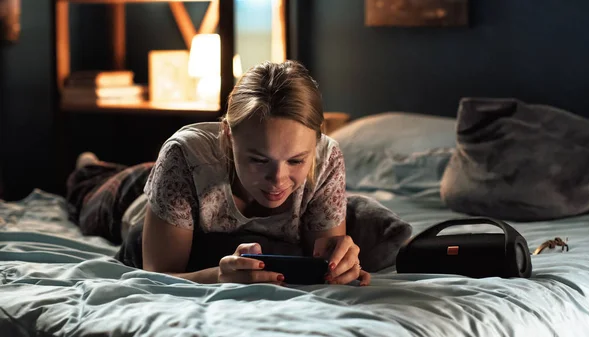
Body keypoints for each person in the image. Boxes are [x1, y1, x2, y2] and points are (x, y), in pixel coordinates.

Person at [67, 60, 371, 286]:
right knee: (90, 189)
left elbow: (324, 265)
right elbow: (158, 276)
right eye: (258, 160)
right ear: (227, 136)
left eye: (295, 161)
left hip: (178, 186)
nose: (278, 179)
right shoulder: (183, 156)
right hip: (133, 199)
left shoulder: (327, 156)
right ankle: (88, 166)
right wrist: (217, 275)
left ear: (316, 141)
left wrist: (340, 267)